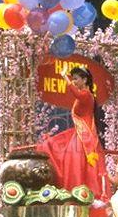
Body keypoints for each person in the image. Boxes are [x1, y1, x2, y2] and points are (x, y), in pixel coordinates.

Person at [39, 66, 110, 200]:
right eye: (73, 79)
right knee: (56, 147)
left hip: (84, 137)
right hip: (81, 134)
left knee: (71, 158)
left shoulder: (86, 95)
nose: (75, 81)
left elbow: (76, 94)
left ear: (85, 80)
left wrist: (64, 76)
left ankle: (79, 191)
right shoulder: (86, 95)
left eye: (76, 79)